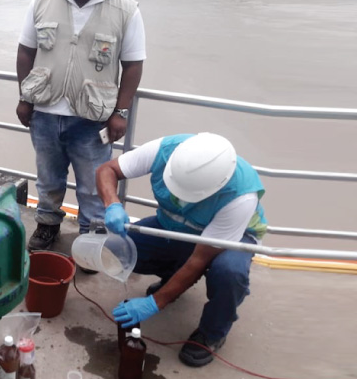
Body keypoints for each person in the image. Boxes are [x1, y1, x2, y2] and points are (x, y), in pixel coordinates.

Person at [16, 0, 145, 251]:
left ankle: (91, 238)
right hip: (45, 112)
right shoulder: (43, 0)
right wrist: (24, 97)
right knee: (48, 178)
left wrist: (121, 111)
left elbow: (133, 65)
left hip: (93, 118)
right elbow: (25, 51)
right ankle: (47, 225)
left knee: (92, 185)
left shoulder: (125, 10)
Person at [97, 133, 267, 368]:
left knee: (229, 273)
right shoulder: (164, 150)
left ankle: (212, 333)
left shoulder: (239, 197)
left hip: (233, 236)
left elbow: (199, 260)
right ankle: (172, 279)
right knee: (119, 249)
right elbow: (107, 170)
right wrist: (112, 204)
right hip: (175, 225)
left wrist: (156, 302)